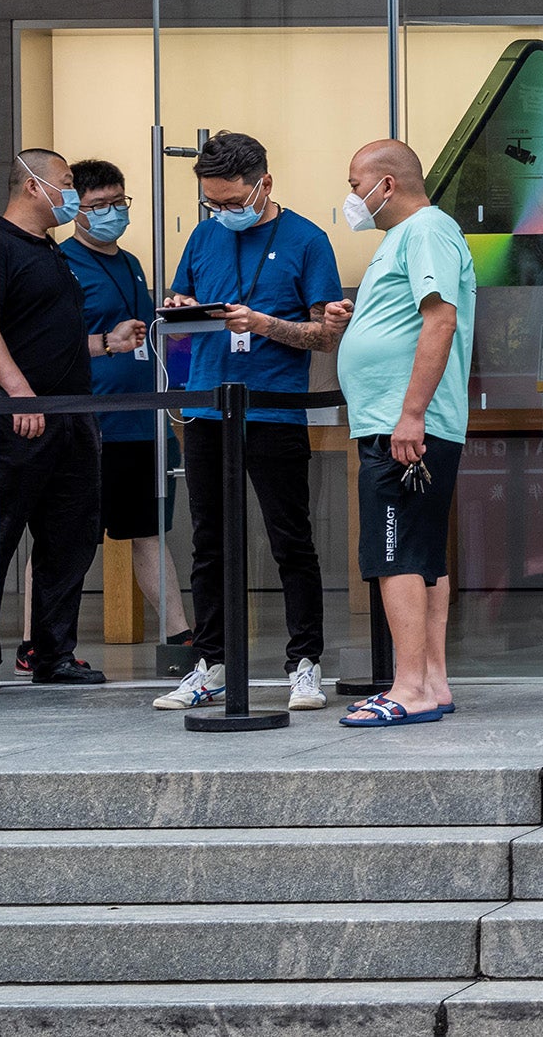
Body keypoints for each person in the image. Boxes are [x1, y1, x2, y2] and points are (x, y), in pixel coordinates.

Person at [156, 134, 347, 714]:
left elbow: (325, 334)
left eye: (232, 200)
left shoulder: (307, 240)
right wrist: (181, 310)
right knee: (208, 542)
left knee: (290, 537)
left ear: (263, 183)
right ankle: (209, 662)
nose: (223, 212)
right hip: (209, 407)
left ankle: (305, 662)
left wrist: (261, 323)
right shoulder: (204, 234)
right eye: (213, 202)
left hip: (273, 406)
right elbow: (180, 297)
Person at [332, 137, 473, 727]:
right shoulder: (405, 238)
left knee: (394, 556)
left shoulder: (426, 230)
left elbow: (441, 317)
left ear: (386, 185)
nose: (350, 196)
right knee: (421, 555)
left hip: (404, 425)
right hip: (399, 421)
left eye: (354, 181)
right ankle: (431, 681)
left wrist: (411, 413)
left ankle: (408, 687)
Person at [0, 147, 109, 683]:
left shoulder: (50, 251)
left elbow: (47, 332)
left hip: (71, 415)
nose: (71, 193)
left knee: (69, 539)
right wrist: (19, 393)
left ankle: (52, 653)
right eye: (65, 183)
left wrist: (104, 344)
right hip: (24, 417)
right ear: (33, 186)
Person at [62, 157, 183, 666]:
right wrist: (104, 344)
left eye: (119, 203)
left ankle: (179, 635)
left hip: (144, 418)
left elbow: (150, 341)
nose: (112, 213)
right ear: (76, 210)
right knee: (65, 536)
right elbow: (48, 346)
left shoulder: (132, 263)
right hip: (91, 421)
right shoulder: (60, 263)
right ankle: (40, 641)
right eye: (99, 206)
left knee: (147, 529)